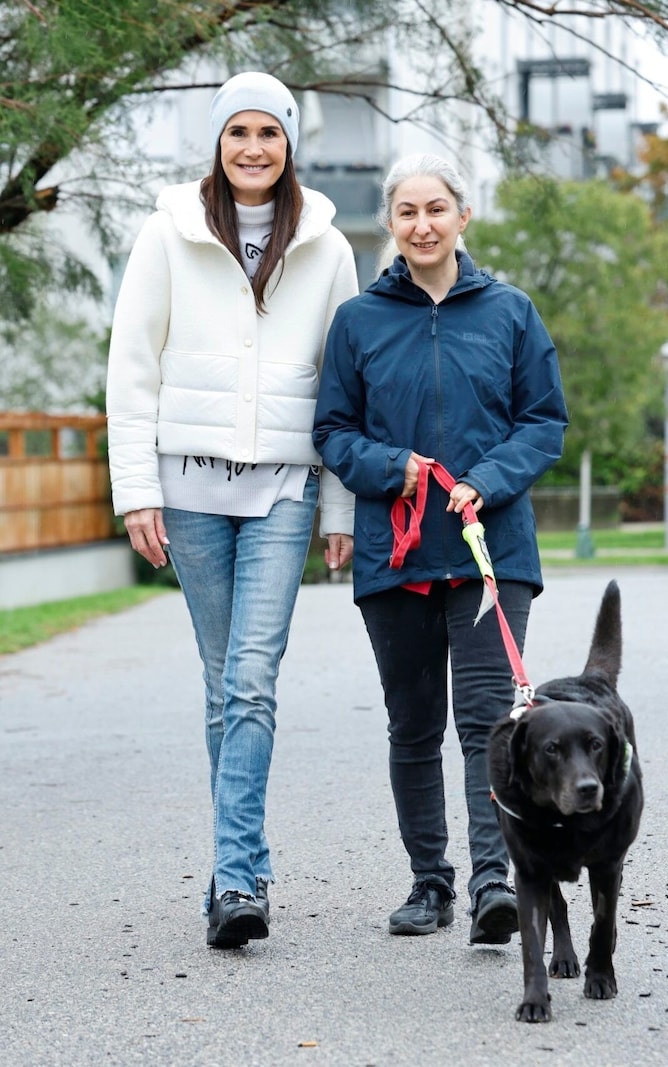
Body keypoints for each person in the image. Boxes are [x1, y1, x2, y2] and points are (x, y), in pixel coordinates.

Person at [106, 71, 358, 949]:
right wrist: (136, 488)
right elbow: (132, 366)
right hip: (189, 489)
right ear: (217, 142)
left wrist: (339, 507)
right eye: (238, 132)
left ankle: (236, 878)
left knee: (250, 681)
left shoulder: (327, 244)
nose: (254, 147)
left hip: (284, 487)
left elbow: (341, 388)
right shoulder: (167, 233)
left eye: (271, 133)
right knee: (224, 687)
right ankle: (236, 867)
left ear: (290, 146)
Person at [313, 154, 568, 943]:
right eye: (406, 212)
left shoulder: (511, 311)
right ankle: (430, 883)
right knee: (414, 723)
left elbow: (543, 421)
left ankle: (496, 881)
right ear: (390, 223)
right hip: (397, 553)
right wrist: (396, 468)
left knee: (490, 722)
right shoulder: (359, 321)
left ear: (462, 215)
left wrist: (485, 481)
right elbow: (332, 431)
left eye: (436, 209)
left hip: (494, 552)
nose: (422, 225)